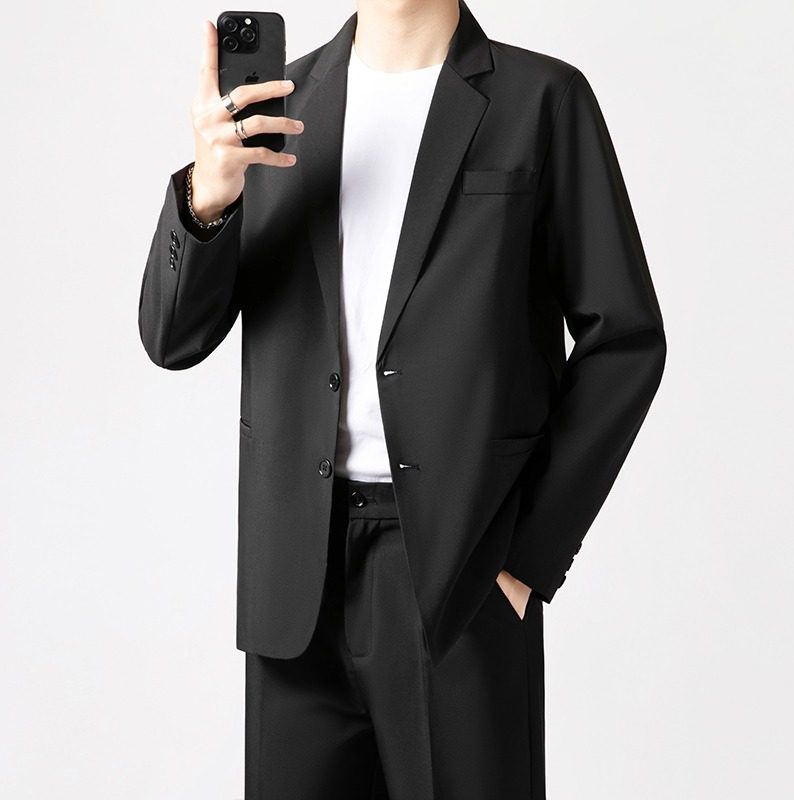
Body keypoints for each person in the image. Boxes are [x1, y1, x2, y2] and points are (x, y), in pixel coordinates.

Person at [138, 0, 666, 797]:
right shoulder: (277, 106)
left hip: (460, 572)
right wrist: (207, 195)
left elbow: (624, 339)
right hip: (294, 580)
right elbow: (171, 337)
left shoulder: (542, 100)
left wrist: (527, 557)